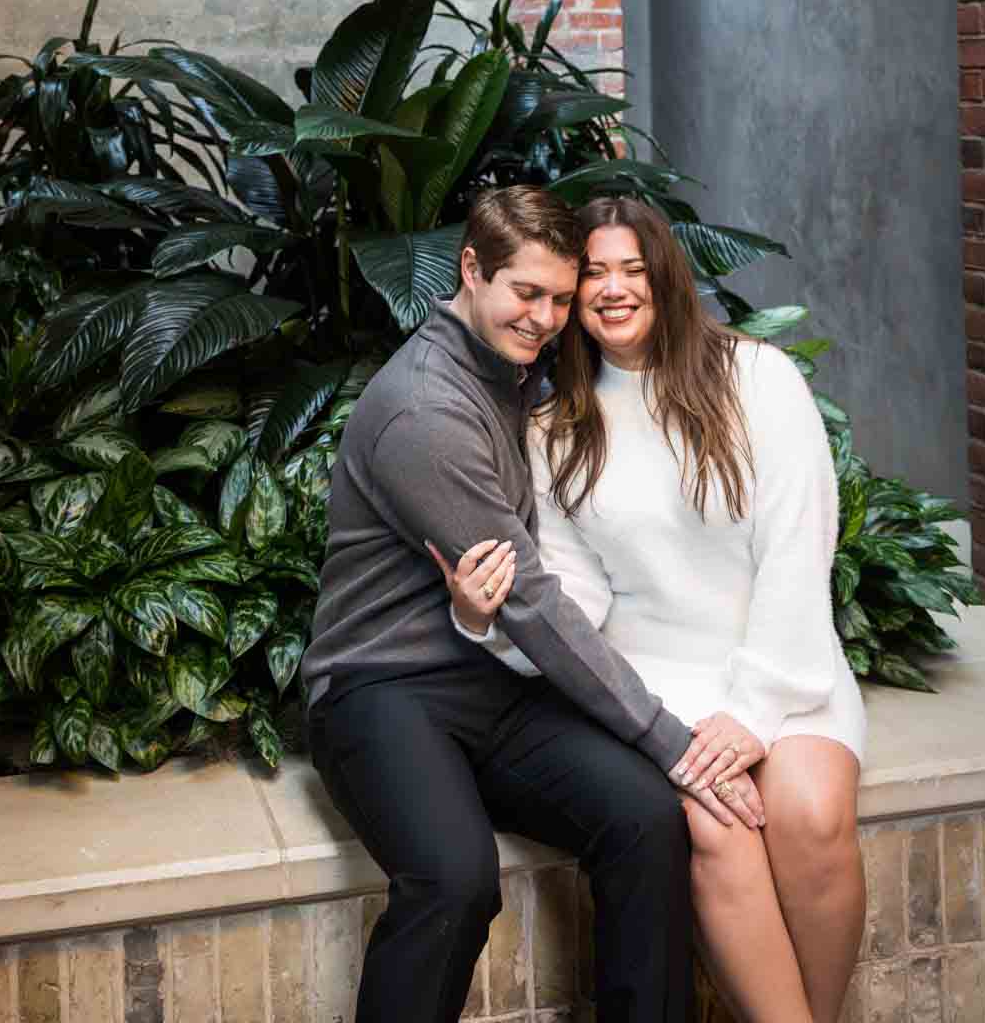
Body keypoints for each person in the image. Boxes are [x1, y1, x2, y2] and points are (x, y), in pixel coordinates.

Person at [302, 184, 763, 1023]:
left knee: (645, 820)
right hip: (380, 690)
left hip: (488, 682)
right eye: (527, 293)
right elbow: (535, 605)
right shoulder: (422, 412)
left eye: (559, 297)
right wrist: (669, 738)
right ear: (471, 269)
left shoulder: (518, 374)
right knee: (452, 879)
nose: (547, 317)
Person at [436, 196, 866, 1023]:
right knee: (714, 831)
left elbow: (796, 548)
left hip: (783, 659)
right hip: (659, 680)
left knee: (809, 817)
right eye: (592, 273)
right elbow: (573, 595)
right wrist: (483, 622)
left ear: (665, 275)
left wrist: (754, 707)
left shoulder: (756, 377)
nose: (612, 289)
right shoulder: (558, 425)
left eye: (632, 269)